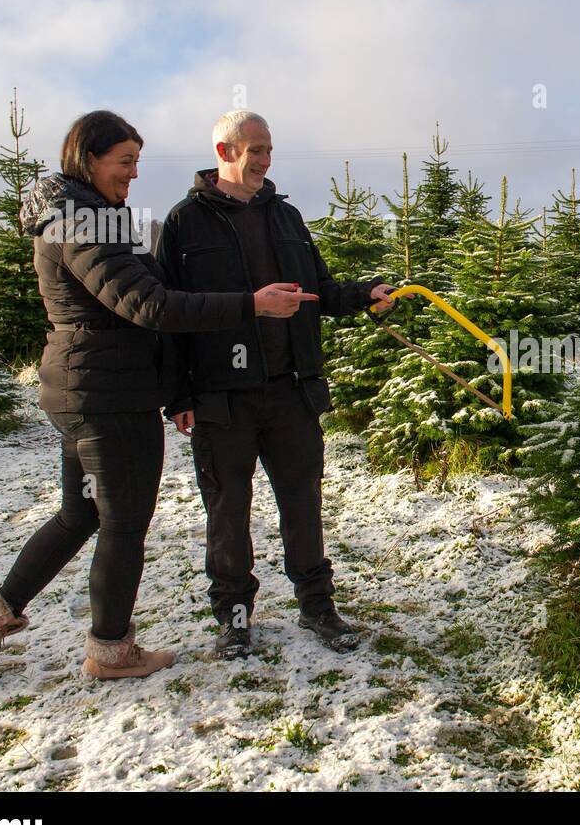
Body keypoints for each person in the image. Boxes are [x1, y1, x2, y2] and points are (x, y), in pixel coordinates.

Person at [0, 110, 320, 683]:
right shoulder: (83, 223)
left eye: (137, 163)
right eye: (123, 162)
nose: (132, 174)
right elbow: (148, 304)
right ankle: (110, 649)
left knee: (80, 515)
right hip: (109, 394)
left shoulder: (92, 216)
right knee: (124, 522)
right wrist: (249, 304)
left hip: (87, 389)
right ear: (88, 159)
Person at [156, 110, 399, 658]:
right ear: (224, 152)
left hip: (291, 391)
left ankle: (318, 607)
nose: (265, 160)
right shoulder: (184, 224)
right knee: (227, 511)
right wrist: (179, 396)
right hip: (222, 399)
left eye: (268, 150)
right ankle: (235, 619)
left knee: (302, 502)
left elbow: (321, 289)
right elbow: (169, 316)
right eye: (254, 150)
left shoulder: (286, 217)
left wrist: (364, 295)